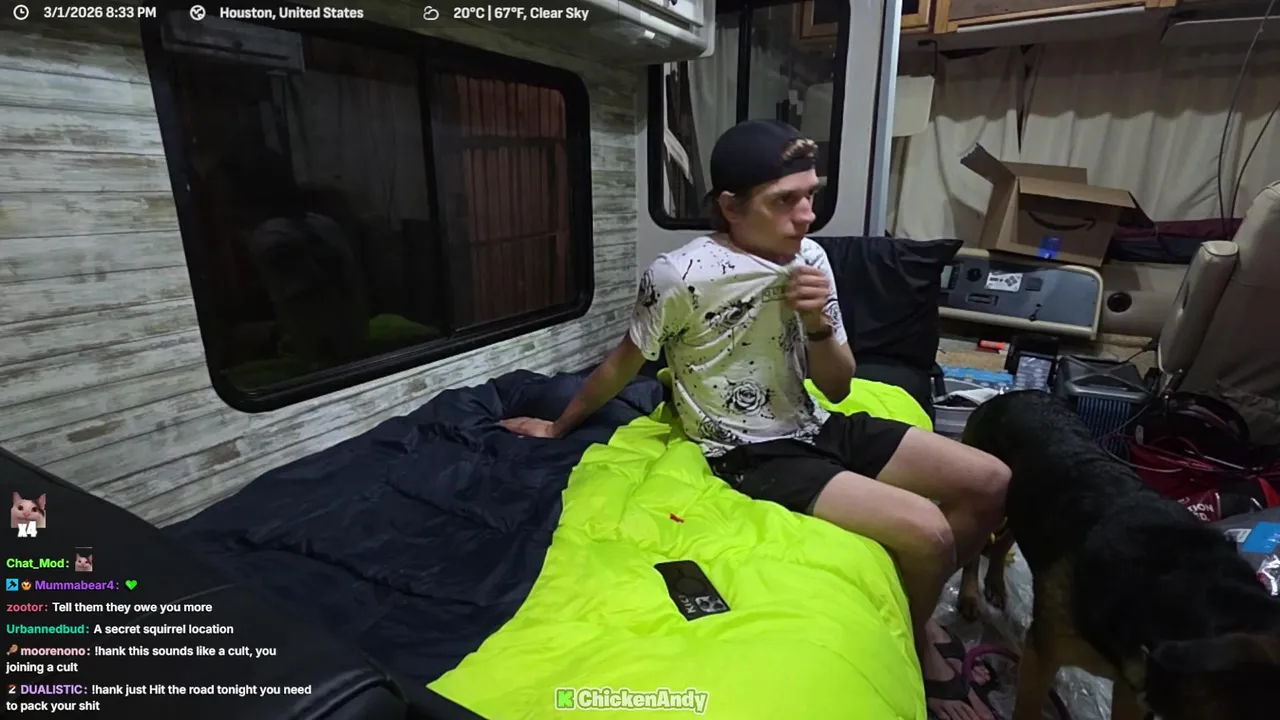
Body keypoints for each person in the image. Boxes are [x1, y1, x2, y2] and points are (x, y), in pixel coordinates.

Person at [502, 119, 1009, 720]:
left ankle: (915, 601)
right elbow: (622, 362)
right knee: (927, 531)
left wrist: (817, 322)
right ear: (731, 207)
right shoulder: (679, 275)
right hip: (745, 451)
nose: (807, 216)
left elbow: (839, 386)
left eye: (811, 196)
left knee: (992, 481)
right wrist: (558, 425)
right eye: (785, 201)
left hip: (814, 422)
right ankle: (920, 638)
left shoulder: (811, 259)